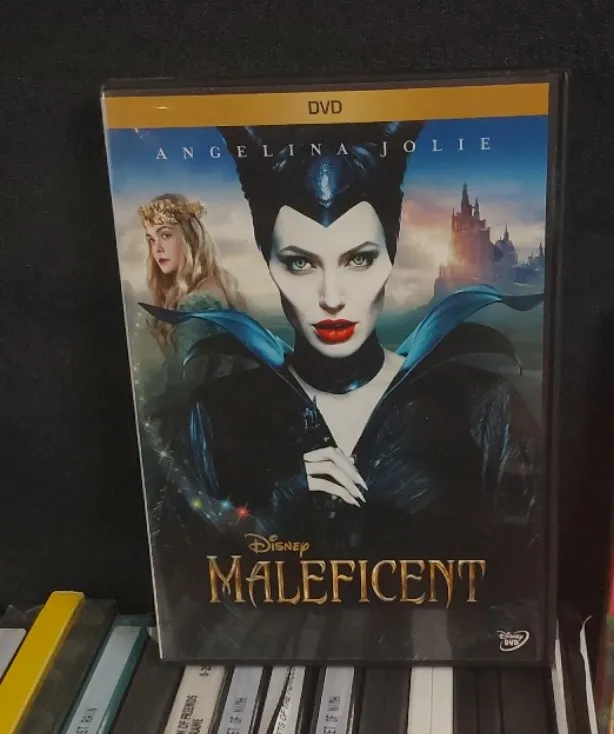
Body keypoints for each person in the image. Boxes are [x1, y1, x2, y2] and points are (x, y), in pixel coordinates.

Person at [141, 122, 542, 569]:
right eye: (300, 262)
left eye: (359, 258)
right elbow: (183, 578)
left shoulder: (483, 406)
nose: (332, 297)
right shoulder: (216, 416)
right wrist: (277, 503)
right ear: (270, 264)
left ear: (390, 258)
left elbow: (524, 578)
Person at [138, 192, 244, 397]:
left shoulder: (196, 303)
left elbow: (184, 389)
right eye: (151, 240)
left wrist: (150, 407)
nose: (157, 249)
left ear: (189, 237)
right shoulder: (215, 286)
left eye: (165, 235)